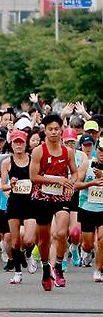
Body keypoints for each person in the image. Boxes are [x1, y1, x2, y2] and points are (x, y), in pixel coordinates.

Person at [29, 115, 78, 291]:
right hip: (42, 197)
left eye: (57, 129)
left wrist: (71, 183)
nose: (54, 132)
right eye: (50, 129)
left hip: (61, 198)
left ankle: (58, 265)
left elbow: (74, 173)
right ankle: (45, 268)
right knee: (44, 238)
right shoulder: (38, 151)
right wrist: (57, 181)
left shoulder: (68, 152)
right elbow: (33, 177)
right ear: (45, 131)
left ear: (61, 130)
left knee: (62, 232)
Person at [0, 130, 37, 284]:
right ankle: (17, 272)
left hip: (30, 203)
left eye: (21, 142)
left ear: (26, 143)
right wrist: (11, 184)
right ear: (11, 144)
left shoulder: (33, 160)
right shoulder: (6, 162)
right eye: (16, 142)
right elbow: (2, 186)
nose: (19, 145)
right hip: (14, 203)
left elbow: (38, 179)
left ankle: (28, 254)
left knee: (28, 240)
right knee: (15, 242)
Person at [76, 140, 103, 282]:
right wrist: (91, 183)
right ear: (96, 149)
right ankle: (86, 251)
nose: (102, 153)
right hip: (87, 208)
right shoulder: (87, 164)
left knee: (102, 239)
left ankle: (98, 270)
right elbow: (76, 185)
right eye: (101, 149)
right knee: (88, 244)